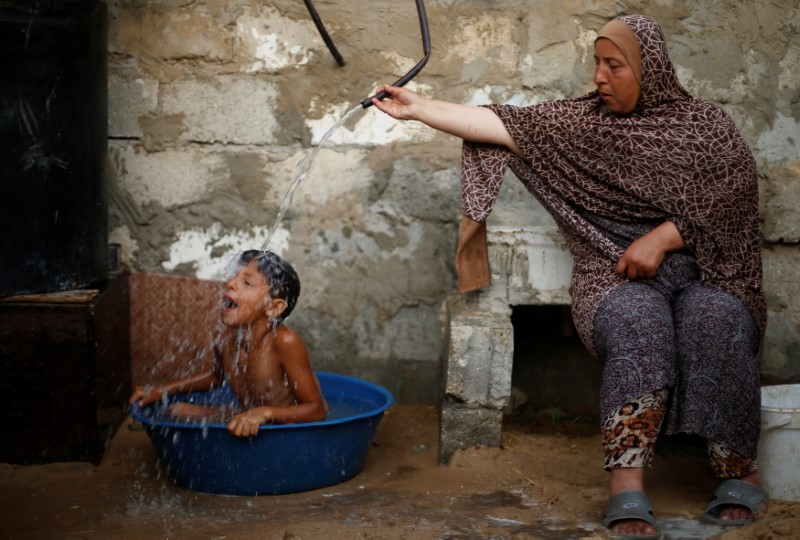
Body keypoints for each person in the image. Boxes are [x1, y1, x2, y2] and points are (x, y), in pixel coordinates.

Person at [372, 14, 768, 539]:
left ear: (650, 70)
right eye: (597, 63)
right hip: (611, 274)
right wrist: (417, 107)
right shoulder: (582, 124)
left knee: (714, 317)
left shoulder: (706, 128)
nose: (600, 77)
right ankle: (627, 486)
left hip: (711, 274)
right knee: (636, 322)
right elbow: (496, 123)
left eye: (615, 65)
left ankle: (738, 470)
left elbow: (733, 199)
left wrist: (662, 238)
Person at [129, 249, 327, 438]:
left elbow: (316, 410)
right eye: (233, 277)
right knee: (178, 410)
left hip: (290, 427)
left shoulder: (284, 341)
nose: (231, 284)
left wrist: (265, 413)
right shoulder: (225, 337)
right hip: (249, 417)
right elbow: (217, 377)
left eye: (247, 283)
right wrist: (163, 390)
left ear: (274, 307)